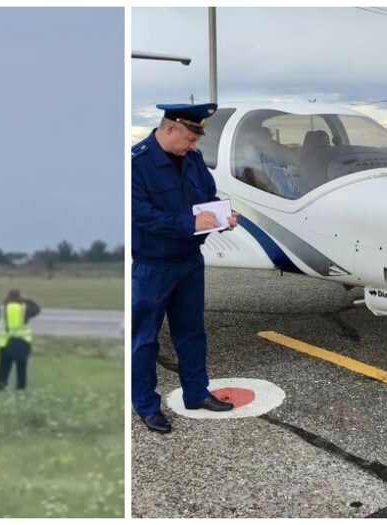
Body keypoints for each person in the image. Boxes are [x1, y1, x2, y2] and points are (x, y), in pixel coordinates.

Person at [131, 102, 241, 434]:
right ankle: (147, 405)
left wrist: (222, 218)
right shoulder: (136, 163)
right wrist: (189, 221)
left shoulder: (190, 159)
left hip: (189, 262)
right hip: (154, 264)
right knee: (145, 339)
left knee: (192, 333)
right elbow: (140, 214)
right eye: (190, 140)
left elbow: (207, 194)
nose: (193, 147)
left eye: (195, 141)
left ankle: (196, 393)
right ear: (169, 130)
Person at [0, 289, 40, 391]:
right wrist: (27, 300)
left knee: (3, 368)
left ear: (8, 297)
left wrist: (4, 302)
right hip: (22, 342)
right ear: (20, 298)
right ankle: (21, 389)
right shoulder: (25, 308)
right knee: (21, 368)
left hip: (5, 343)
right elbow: (37, 309)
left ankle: (1, 388)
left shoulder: (2, 308)